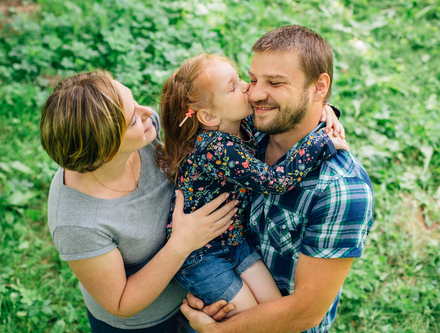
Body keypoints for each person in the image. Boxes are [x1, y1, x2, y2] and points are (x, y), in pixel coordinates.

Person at [180, 25, 374, 333]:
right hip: (213, 289)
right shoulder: (246, 129)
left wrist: (217, 330)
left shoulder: (341, 190)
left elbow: (304, 314)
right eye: (253, 79)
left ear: (319, 87)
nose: (255, 94)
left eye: (275, 83)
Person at [39, 69, 240, 332]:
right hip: (146, 324)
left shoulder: (146, 133)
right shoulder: (77, 223)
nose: (147, 112)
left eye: (134, 102)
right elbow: (120, 301)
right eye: (132, 120)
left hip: (195, 290)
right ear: (106, 149)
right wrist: (182, 243)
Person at [155, 54, 349, 317]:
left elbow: (286, 112)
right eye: (233, 87)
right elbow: (273, 181)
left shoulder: (239, 124)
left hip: (236, 242)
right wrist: (320, 143)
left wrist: (324, 110)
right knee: (250, 318)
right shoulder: (215, 147)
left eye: (241, 79)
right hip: (201, 256)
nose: (248, 86)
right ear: (210, 115)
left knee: (273, 310)